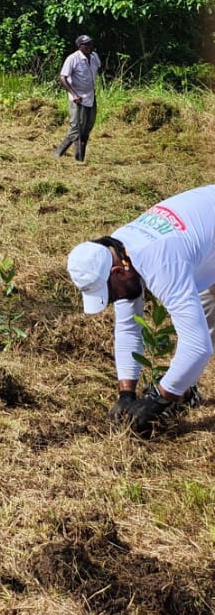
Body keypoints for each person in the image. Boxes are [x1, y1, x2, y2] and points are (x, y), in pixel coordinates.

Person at [66, 185, 215, 435]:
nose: (114, 301)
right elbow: (127, 325)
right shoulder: (118, 250)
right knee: (206, 310)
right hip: (206, 239)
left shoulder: (162, 262)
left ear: (118, 273)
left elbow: (197, 345)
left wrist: (157, 400)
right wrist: (126, 393)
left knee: (200, 334)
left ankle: (179, 391)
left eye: (110, 294)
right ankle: (183, 389)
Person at [56, 34, 102, 162]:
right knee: (76, 128)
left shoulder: (94, 57)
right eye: (86, 45)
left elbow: (97, 70)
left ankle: (80, 158)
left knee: (87, 127)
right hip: (77, 98)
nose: (89, 47)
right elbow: (63, 77)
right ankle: (59, 153)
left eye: (90, 44)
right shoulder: (73, 59)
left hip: (90, 97)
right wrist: (74, 94)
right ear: (79, 46)